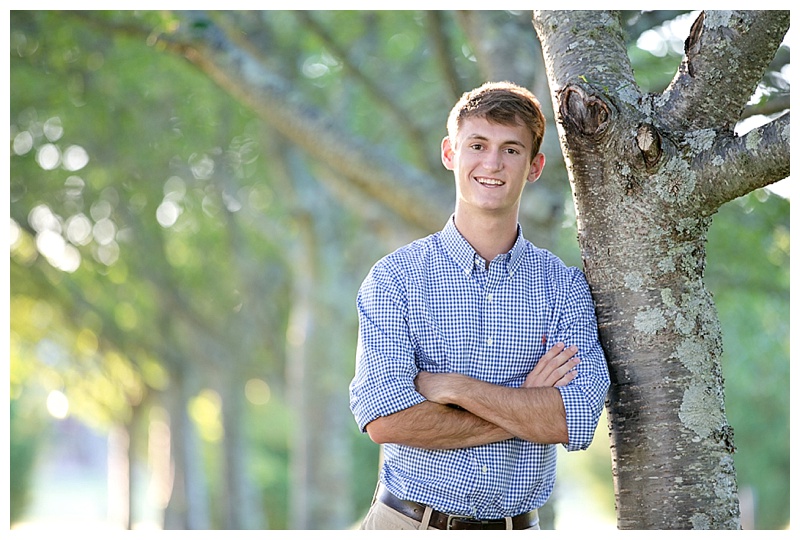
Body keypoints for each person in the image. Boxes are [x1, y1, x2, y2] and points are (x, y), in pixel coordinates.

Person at [349, 81, 610, 530]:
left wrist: (455, 389)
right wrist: (528, 405)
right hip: (407, 526)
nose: (492, 163)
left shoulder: (563, 287)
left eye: (511, 149)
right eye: (478, 145)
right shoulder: (395, 279)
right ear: (450, 153)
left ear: (534, 167)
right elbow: (385, 418)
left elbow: (578, 417)